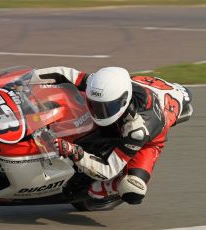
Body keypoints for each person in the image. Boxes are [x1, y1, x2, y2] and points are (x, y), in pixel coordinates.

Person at [36, 66, 193, 205]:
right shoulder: (104, 88)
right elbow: (64, 73)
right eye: (95, 104)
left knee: (132, 189)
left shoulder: (138, 130)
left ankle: (110, 187)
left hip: (147, 141)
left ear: (123, 101)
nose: (99, 111)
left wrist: (74, 152)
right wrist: (29, 78)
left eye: (106, 107)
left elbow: (107, 170)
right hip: (142, 87)